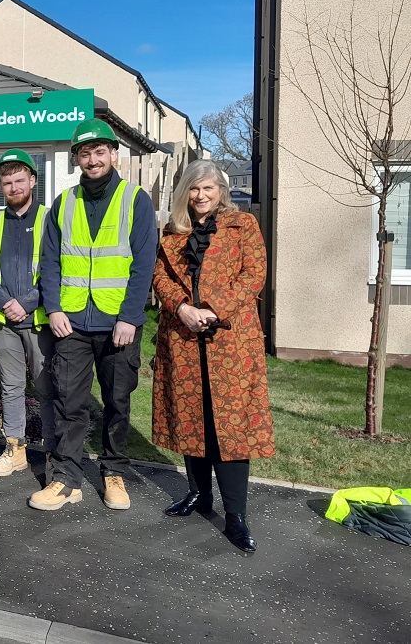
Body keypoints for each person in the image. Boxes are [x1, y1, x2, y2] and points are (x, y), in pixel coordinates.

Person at [30, 118, 157, 512]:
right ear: (76, 160)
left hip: (118, 323)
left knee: (118, 401)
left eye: (99, 151)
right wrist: (53, 308)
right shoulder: (63, 203)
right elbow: (48, 261)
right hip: (72, 323)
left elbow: (143, 264)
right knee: (69, 402)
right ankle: (66, 478)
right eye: (85, 153)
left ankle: (113, 471)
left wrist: (129, 317)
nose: (92, 159)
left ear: (113, 154)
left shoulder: (134, 199)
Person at [152, 159, 274, 553]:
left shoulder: (243, 226)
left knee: (231, 427)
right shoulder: (173, 232)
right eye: (193, 188)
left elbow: (253, 275)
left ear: (221, 190)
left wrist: (213, 309)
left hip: (231, 343)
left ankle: (235, 514)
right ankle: (199, 495)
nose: (201, 196)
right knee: (192, 418)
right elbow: (160, 277)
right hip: (183, 340)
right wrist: (182, 308)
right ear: (183, 192)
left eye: (208, 188)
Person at [0, 149, 55, 477]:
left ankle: (53, 453)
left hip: (38, 320)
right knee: (11, 387)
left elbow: (58, 268)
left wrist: (28, 302)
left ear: (33, 180)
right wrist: (5, 301)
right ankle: (15, 449)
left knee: (46, 386)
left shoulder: (51, 218)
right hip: (3, 319)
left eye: (20, 180)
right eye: (7, 182)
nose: (14, 187)